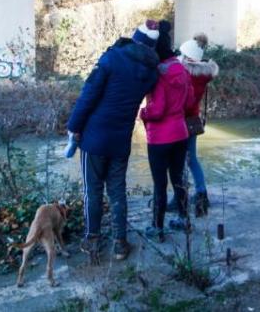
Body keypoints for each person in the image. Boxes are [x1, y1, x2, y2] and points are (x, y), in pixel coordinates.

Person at [67, 20, 160, 263]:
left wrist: (74, 127)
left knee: (92, 191)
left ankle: (92, 239)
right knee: (117, 191)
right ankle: (120, 243)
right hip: (121, 139)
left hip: (95, 137)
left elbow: (89, 94)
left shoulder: (112, 58)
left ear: (135, 37)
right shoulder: (151, 72)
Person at [140, 20, 196, 242]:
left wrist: (143, 113)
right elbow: (190, 99)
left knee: (159, 184)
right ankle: (184, 220)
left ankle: (157, 227)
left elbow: (157, 109)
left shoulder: (159, 73)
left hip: (160, 137)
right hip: (181, 133)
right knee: (178, 179)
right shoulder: (181, 68)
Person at [166, 33, 219, 217]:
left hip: (178, 121)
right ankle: (202, 194)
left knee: (177, 163)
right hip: (192, 121)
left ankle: (178, 198)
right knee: (192, 159)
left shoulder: (183, 72)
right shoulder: (203, 73)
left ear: (187, 57)